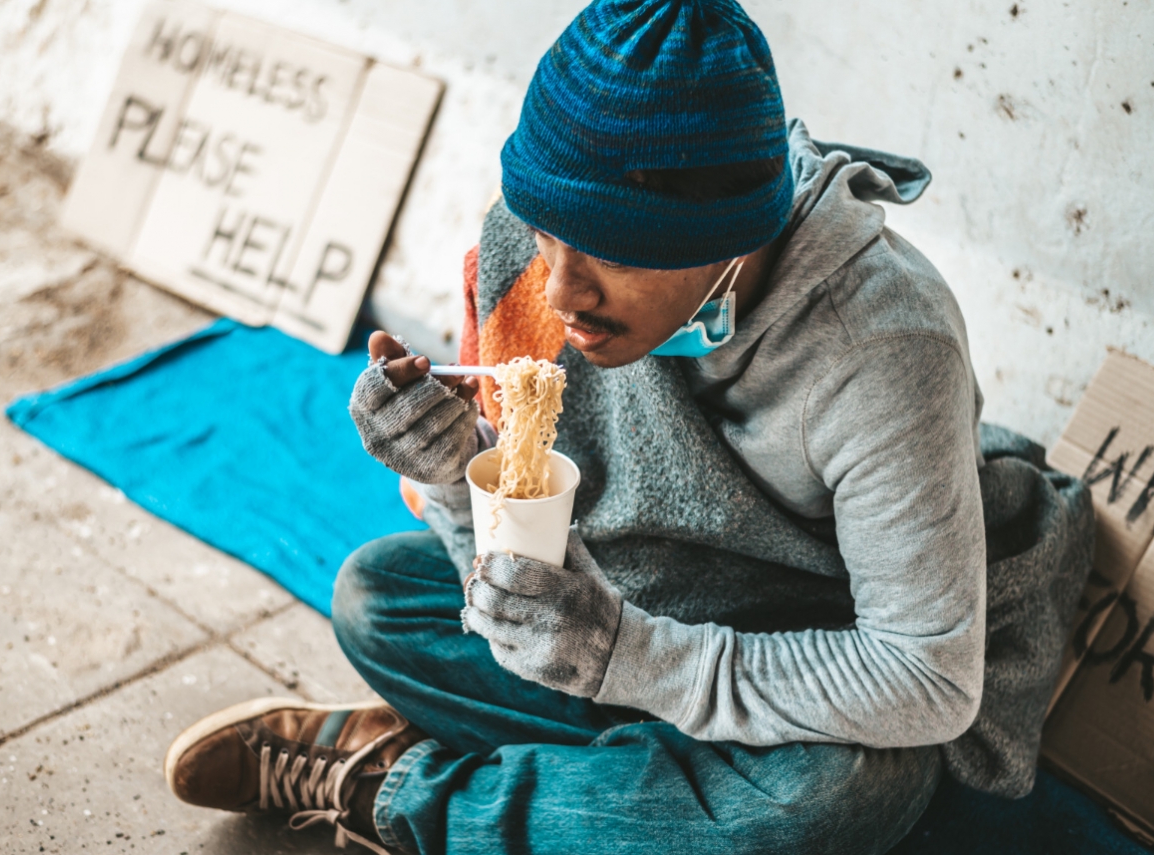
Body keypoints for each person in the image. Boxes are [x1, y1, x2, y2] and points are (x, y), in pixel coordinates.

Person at [161, 1, 1093, 853]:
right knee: (375, 597)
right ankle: (622, 795)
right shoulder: (524, 256)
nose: (561, 290)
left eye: (611, 245)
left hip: (816, 639)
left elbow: (924, 679)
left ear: (731, 232)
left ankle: (399, 784)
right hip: (633, 597)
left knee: (829, 797)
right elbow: (510, 549)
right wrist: (457, 472)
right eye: (547, 230)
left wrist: (628, 658)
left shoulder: (883, 345)